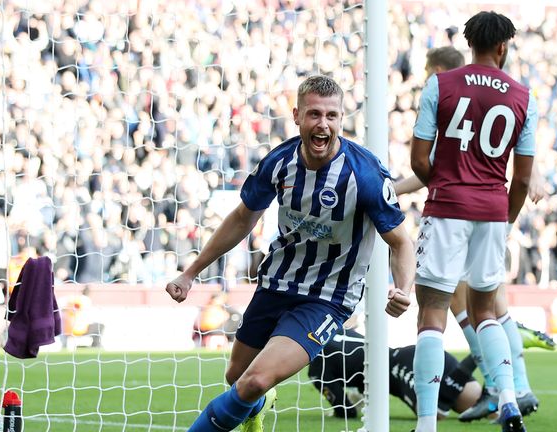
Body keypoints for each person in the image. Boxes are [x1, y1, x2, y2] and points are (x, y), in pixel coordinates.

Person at [165, 75, 415, 432]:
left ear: (342, 118)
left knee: (252, 382)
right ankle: (260, 403)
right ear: (297, 116)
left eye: (331, 116)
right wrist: (190, 273)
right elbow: (241, 219)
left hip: (328, 298)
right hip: (276, 283)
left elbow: (401, 242)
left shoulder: (366, 174)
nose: (323, 124)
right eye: (314, 114)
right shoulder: (279, 162)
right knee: (237, 377)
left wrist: (404, 288)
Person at [395, 45, 546, 423]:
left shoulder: (445, 88)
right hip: (492, 212)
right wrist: (506, 215)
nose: (428, 77)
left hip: (451, 211)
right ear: (503, 47)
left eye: (430, 70)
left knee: (434, 313)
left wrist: (446, 189)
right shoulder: (519, 95)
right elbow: (524, 172)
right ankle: (509, 392)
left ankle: (429, 421)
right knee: (488, 311)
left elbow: (423, 161)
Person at [308, 327, 482, 420]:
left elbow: (346, 412)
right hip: (412, 353)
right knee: (480, 407)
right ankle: (473, 367)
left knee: (435, 413)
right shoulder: (334, 328)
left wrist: (348, 403)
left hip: (398, 369)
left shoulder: (316, 368)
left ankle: (475, 356)